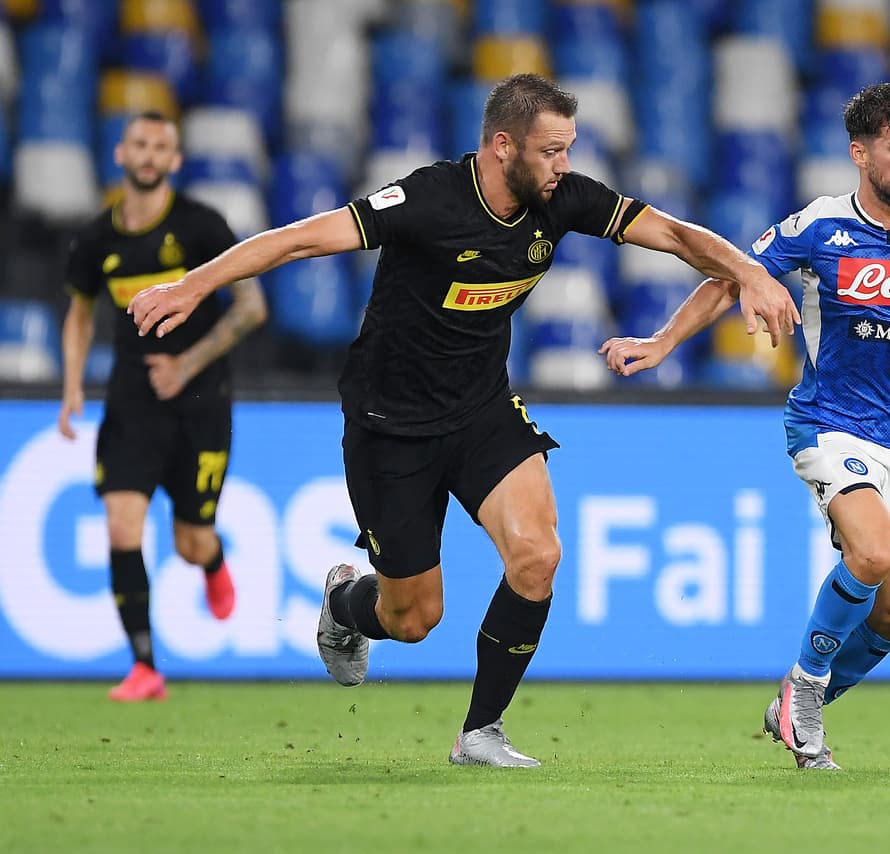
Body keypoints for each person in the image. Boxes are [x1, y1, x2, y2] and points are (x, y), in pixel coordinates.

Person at [127, 74, 800, 766]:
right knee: (411, 618)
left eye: (568, 150)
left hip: (482, 409)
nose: (564, 167)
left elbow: (675, 234)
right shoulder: (427, 199)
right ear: (502, 146)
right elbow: (300, 240)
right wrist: (192, 284)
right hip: (391, 423)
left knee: (538, 555)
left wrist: (748, 271)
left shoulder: (564, 199)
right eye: (550, 152)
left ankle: (480, 732)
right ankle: (344, 605)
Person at [600, 82, 890, 770]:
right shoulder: (817, 226)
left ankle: (797, 697)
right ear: (860, 153)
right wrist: (663, 344)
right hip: (827, 422)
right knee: (870, 553)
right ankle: (808, 690)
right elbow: (732, 278)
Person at [59, 111, 268, 701]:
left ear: (175, 161)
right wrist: (72, 384)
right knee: (122, 526)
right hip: (131, 400)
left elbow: (252, 308)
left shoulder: (202, 227)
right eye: (139, 145)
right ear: (120, 153)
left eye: (161, 147)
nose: (149, 155)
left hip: (200, 400)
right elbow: (77, 312)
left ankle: (212, 561)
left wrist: (187, 363)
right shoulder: (95, 239)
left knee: (189, 541)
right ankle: (145, 666)